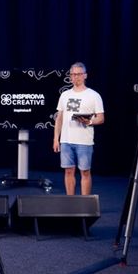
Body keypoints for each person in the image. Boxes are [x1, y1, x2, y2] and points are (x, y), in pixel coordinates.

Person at [53, 62, 105, 195]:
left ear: (85, 75)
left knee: (85, 172)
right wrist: (56, 139)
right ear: (70, 76)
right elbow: (59, 118)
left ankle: (85, 203)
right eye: (73, 74)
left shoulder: (94, 95)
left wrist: (89, 121)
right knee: (68, 171)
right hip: (66, 140)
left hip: (84, 141)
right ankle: (71, 202)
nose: (76, 77)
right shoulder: (65, 95)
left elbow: (101, 118)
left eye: (79, 74)